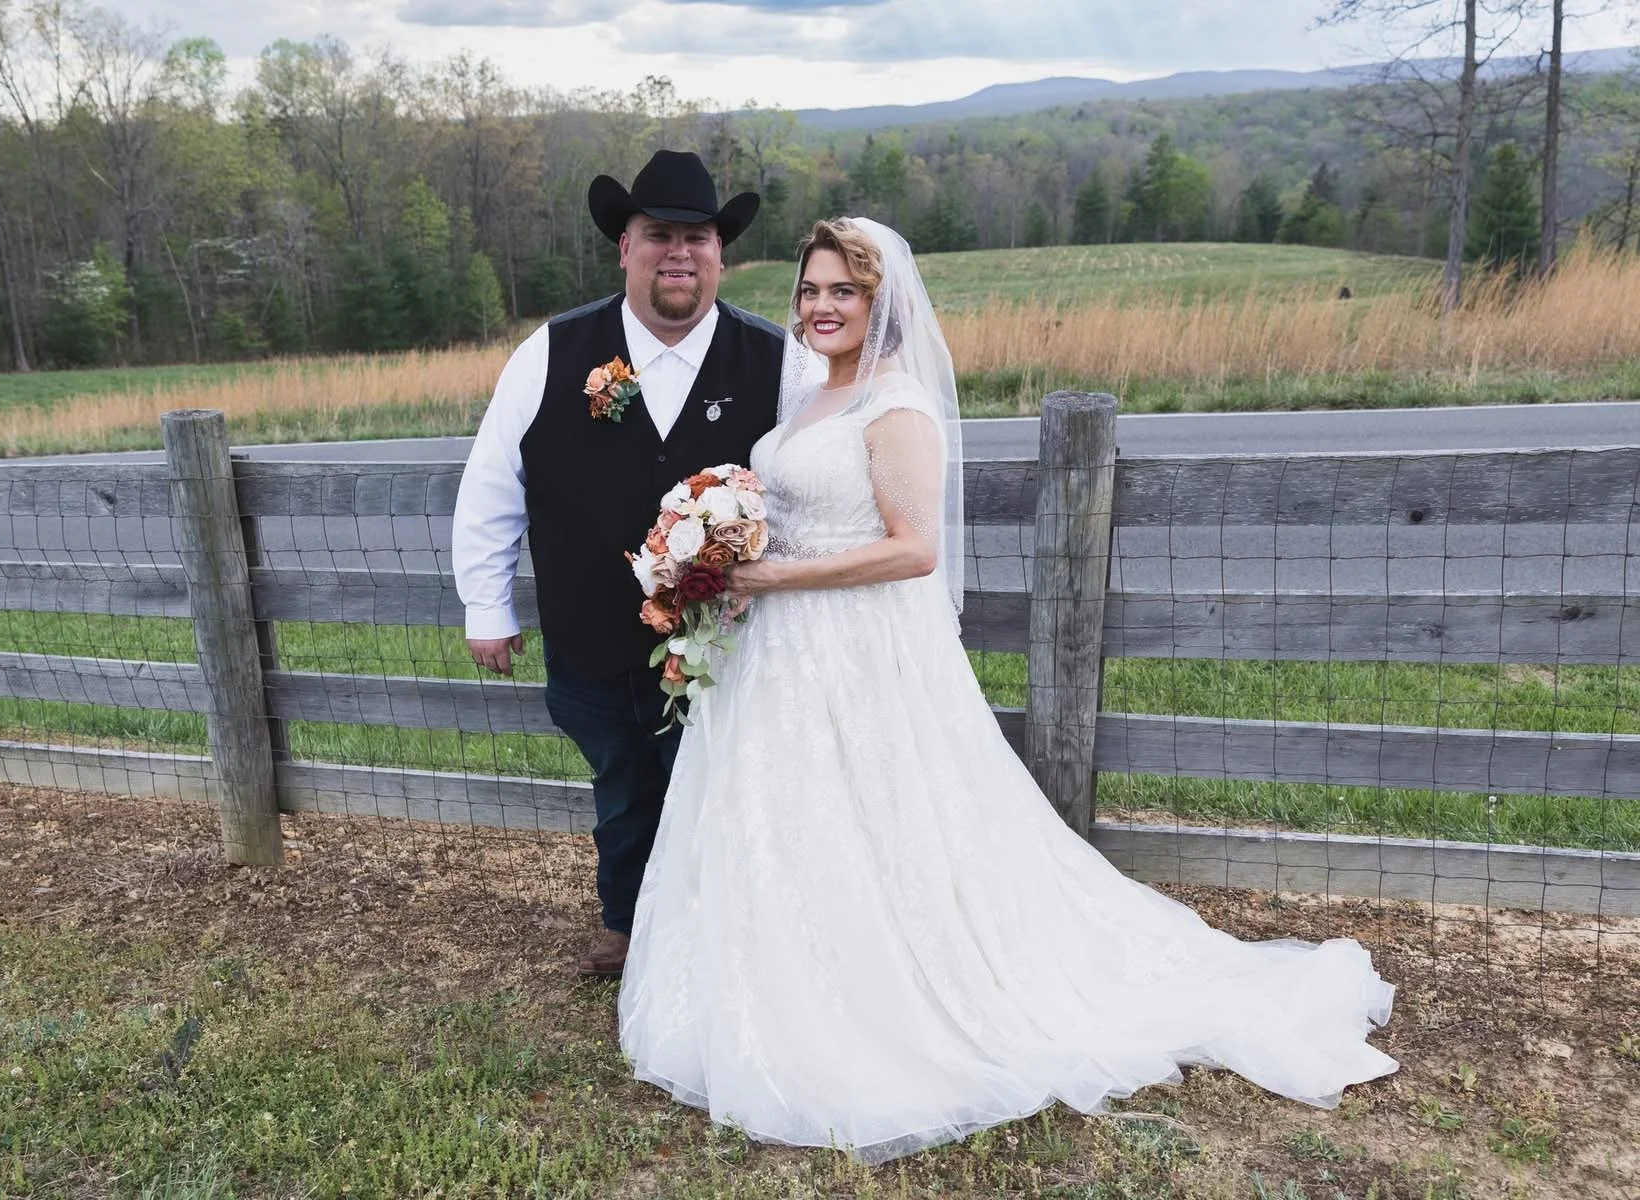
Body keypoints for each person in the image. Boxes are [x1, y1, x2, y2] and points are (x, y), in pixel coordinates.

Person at [617, 216, 1398, 1163]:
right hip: (779, 652)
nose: (820, 308)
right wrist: (718, 544)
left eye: (842, 293)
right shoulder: (811, 403)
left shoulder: (894, 405)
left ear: (880, 304)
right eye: (811, 292)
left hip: (859, 649)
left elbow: (914, 549)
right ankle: (776, 981)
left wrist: (775, 576)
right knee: (786, 818)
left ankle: (898, 999)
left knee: (881, 819)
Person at [451, 151, 785, 978]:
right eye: (658, 234)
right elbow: (494, 482)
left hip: (724, 644)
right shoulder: (554, 352)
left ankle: (713, 936)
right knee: (623, 786)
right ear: (624, 247)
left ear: (720, 253)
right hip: (590, 632)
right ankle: (626, 924)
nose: (678, 252)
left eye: (696, 237)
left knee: (714, 787)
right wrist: (486, 607)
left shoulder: (777, 363)